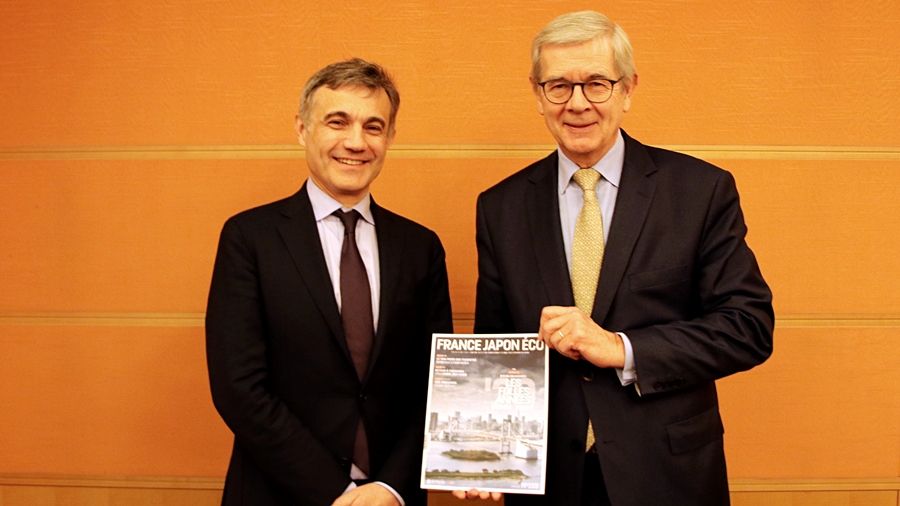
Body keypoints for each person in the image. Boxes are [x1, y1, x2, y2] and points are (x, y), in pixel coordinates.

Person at [458, 10, 774, 506]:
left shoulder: (699, 191)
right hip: (546, 480)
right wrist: (487, 452)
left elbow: (748, 327)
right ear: (538, 95)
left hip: (666, 475)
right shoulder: (500, 207)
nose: (577, 103)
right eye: (558, 86)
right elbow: (497, 346)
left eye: (597, 84)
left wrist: (622, 348)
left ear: (627, 90)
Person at [206, 58, 452, 506]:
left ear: (390, 138)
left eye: (374, 127)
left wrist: (391, 487)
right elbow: (238, 386)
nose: (355, 142)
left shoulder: (420, 248)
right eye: (337, 122)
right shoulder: (250, 239)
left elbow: (438, 384)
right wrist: (334, 493)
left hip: (389, 499)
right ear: (302, 129)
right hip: (279, 493)